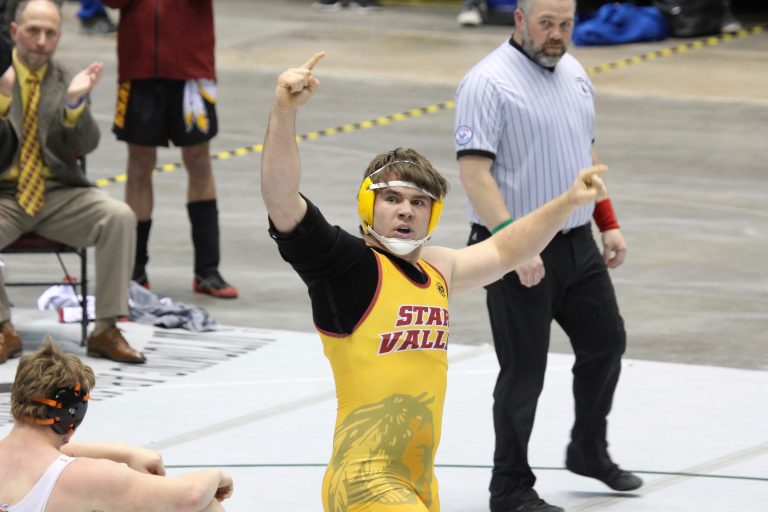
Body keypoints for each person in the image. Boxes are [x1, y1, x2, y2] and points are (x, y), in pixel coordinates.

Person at [261, 51, 608, 512]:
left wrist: (566, 202)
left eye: (418, 202)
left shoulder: (436, 270)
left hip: (419, 482)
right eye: (391, 198)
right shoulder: (347, 267)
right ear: (368, 205)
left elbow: (508, 250)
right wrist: (284, 112)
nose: (405, 210)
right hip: (364, 481)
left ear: (433, 214)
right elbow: (282, 201)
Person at [454, 0, 642, 510]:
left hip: (576, 243)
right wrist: (512, 244)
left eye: (565, 24)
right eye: (546, 24)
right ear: (519, 20)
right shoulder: (487, 82)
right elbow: (474, 175)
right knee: (524, 371)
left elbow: (586, 158)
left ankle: (587, 450)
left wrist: (608, 221)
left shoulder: (575, 72)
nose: (557, 34)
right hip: (514, 247)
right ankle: (510, 487)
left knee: (606, 343)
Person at [0, 0, 144, 364]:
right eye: (33, 31)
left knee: (119, 216)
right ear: (15, 32)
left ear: (59, 36)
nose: (41, 41)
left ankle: (106, 329)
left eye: (50, 33)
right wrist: (2, 99)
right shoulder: (1, 76)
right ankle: (3, 328)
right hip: (5, 196)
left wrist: (75, 105)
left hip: (58, 194)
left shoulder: (67, 78)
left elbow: (86, 144)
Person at [102, 0, 238, 298]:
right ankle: (135, 269)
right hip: (138, 65)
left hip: (191, 64)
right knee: (139, 163)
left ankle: (207, 270)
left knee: (198, 161)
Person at [0, 337, 233, 511]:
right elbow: (191, 496)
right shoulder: (86, 477)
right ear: (75, 414)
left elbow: (45, 451)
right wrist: (217, 475)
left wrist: (122, 451)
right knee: (207, 507)